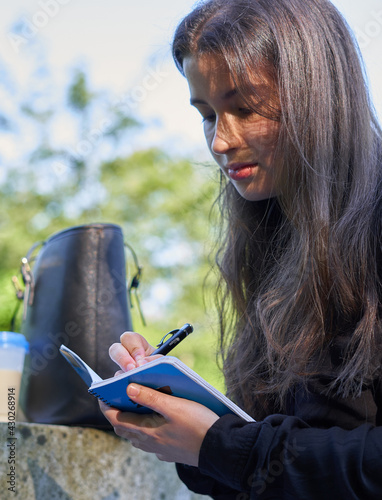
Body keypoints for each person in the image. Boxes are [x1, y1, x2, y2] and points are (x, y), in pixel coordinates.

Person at [100, 0, 382, 498]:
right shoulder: (273, 243)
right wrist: (181, 416)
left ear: (318, 96)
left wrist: (224, 445)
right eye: (207, 115)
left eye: (245, 109)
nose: (220, 142)